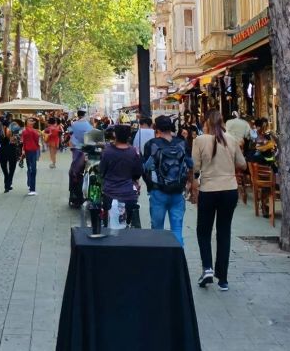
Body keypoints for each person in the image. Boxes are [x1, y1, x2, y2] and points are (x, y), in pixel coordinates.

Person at [191, 109, 245, 290]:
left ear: (206, 122)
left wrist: (194, 184)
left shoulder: (199, 140)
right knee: (224, 232)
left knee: (203, 231)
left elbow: (195, 167)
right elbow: (242, 164)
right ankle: (223, 278)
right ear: (222, 122)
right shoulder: (231, 140)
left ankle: (207, 267)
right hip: (229, 190)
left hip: (209, 190)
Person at [142, 115, 193, 246]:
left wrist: (149, 186)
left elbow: (145, 168)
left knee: (157, 230)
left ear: (156, 128)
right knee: (177, 229)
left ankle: (159, 257)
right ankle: (178, 257)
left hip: (158, 191)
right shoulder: (181, 143)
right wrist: (188, 183)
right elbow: (190, 164)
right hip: (178, 192)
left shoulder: (152, 144)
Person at [100, 124, 144, 227]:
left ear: (115, 135)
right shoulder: (134, 152)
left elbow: (102, 171)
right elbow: (138, 173)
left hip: (109, 192)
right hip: (128, 193)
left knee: (106, 223)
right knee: (129, 222)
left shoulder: (107, 152)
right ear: (129, 136)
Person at [0, 117, 21, 193]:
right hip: (11, 151)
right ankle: (8, 182)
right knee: (12, 168)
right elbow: (18, 142)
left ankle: (7, 183)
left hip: (2, 152)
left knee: (4, 169)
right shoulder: (13, 131)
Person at [21, 118, 41, 196]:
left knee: (29, 168)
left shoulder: (24, 131)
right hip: (33, 150)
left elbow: (23, 142)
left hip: (27, 150)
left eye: (32, 121)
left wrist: (23, 150)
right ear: (27, 123)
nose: (32, 121)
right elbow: (36, 140)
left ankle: (30, 183)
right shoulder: (33, 131)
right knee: (33, 169)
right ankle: (32, 188)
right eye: (30, 120)